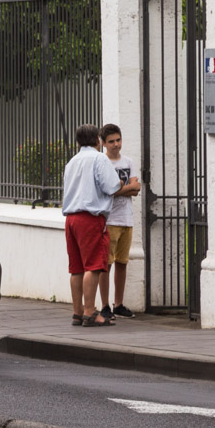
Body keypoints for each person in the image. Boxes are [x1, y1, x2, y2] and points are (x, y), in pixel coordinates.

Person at [60, 123, 121, 327]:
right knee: (93, 266)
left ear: (78, 141)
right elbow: (112, 186)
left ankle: (77, 312)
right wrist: (125, 185)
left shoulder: (72, 162)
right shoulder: (99, 158)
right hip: (90, 218)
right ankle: (90, 311)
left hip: (71, 218)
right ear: (97, 140)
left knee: (76, 268)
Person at [97, 123, 143, 320]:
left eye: (118, 140)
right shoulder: (102, 163)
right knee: (106, 264)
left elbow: (137, 188)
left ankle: (118, 303)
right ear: (103, 143)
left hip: (126, 219)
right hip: (110, 220)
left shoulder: (128, 161)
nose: (116, 144)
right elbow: (108, 191)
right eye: (111, 142)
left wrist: (119, 189)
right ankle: (105, 305)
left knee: (122, 262)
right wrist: (125, 189)